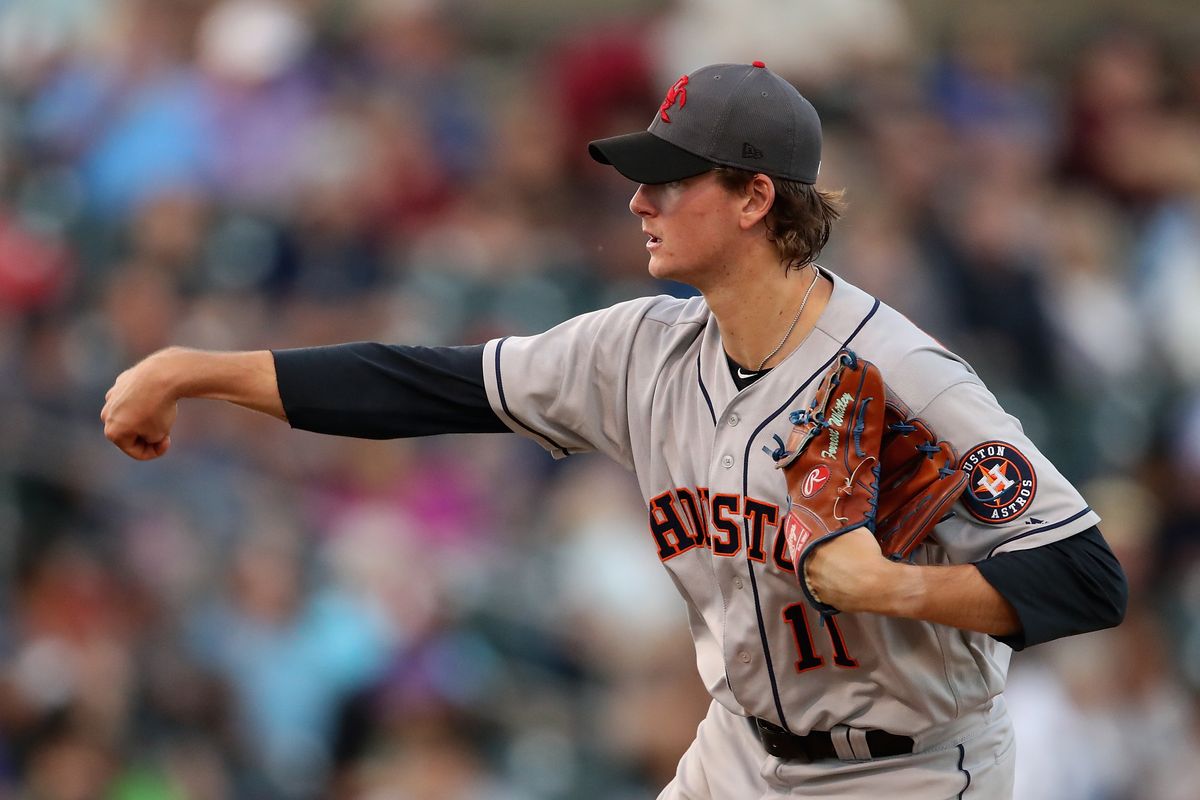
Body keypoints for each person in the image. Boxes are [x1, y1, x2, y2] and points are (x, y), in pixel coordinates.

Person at [102, 62, 1127, 799]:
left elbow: (1087, 574)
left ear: (753, 199)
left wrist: (895, 585)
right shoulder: (643, 349)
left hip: (904, 768)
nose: (638, 198)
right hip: (737, 753)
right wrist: (197, 370)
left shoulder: (898, 381)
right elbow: (430, 385)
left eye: (670, 178)